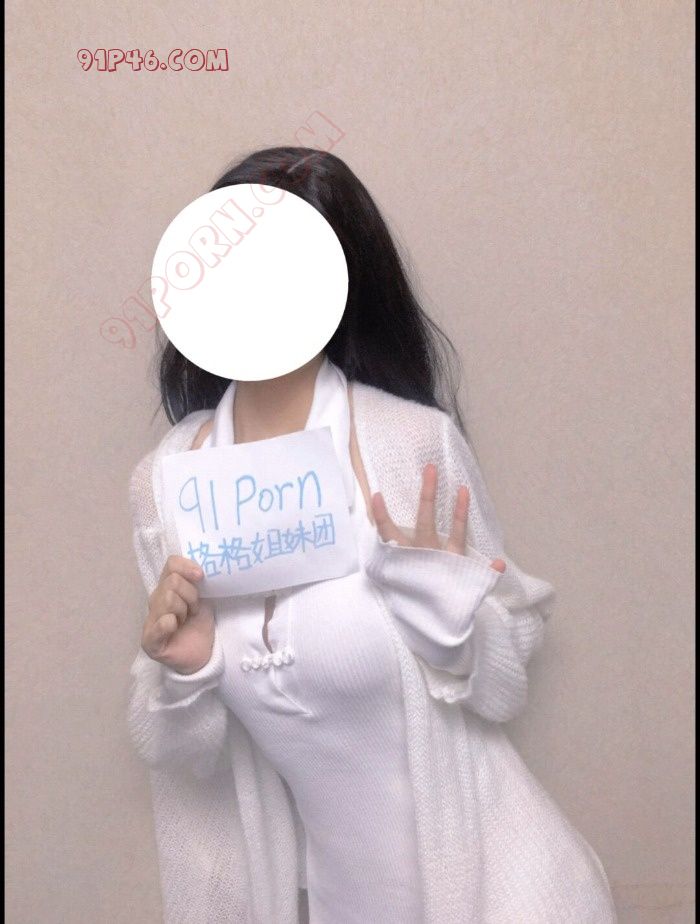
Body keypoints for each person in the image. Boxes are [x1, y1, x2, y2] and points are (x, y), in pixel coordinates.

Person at [127, 147, 618, 923]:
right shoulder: (167, 482)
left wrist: (451, 615)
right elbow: (182, 759)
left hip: (507, 892)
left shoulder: (411, 445)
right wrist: (189, 673)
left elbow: (503, 685)